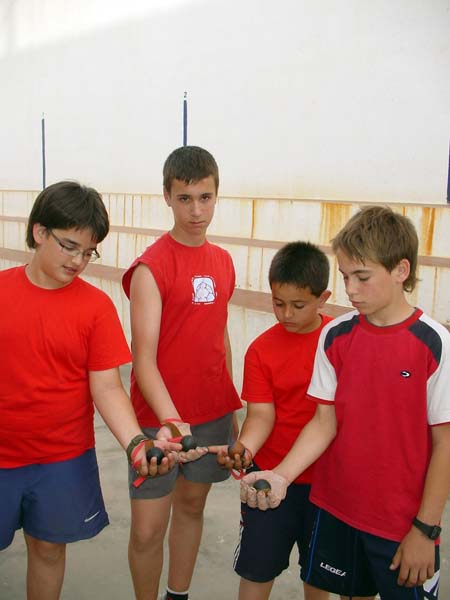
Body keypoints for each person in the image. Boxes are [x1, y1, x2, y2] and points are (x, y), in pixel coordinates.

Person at [241, 206, 450, 600]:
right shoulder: (335, 335)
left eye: (362, 277)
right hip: (335, 513)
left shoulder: (434, 343)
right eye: (345, 277)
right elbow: (324, 423)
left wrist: (426, 529)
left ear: (401, 270)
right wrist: (282, 476)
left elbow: (446, 444)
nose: (351, 289)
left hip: (402, 524)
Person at [0, 181, 178, 600]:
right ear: (39, 232)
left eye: (89, 251)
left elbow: (107, 387)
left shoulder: (95, 307)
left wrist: (136, 442)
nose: (79, 260)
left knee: (47, 549)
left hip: (63, 457)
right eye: (69, 246)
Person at [122, 145, 242, 600]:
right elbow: (144, 359)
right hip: (159, 419)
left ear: (216, 195)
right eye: (186, 198)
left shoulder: (223, 262)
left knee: (192, 508)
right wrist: (172, 421)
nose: (197, 209)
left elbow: (220, 338)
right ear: (167, 196)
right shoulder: (153, 267)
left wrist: (232, 408)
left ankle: (179, 594)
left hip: (211, 414)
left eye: (205, 197)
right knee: (148, 530)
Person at [218, 241, 333, 600]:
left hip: (327, 484)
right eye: (277, 303)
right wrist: (246, 447)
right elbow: (261, 415)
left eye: (298, 305)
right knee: (256, 570)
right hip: (267, 478)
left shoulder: (339, 342)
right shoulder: (261, 350)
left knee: (319, 576)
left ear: (323, 298)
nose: (285, 314)